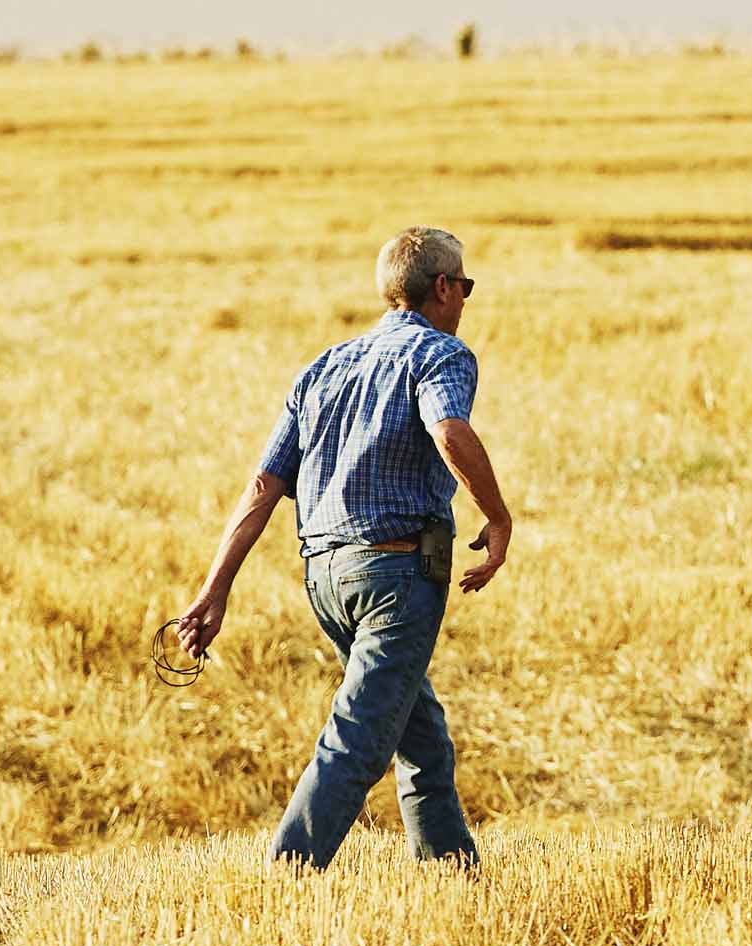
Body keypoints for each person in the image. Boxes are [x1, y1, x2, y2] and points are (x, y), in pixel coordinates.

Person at [166, 224, 515, 868]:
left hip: (326, 577)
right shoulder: (439, 354)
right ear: (441, 287)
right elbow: (450, 431)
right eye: (464, 285)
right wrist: (497, 518)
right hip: (397, 573)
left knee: (421, 738)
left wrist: (214, 589)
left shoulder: (324, 367)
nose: (466, 298)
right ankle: (287, 876)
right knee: (358, 741)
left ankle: (451, 874)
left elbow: (263, 485)